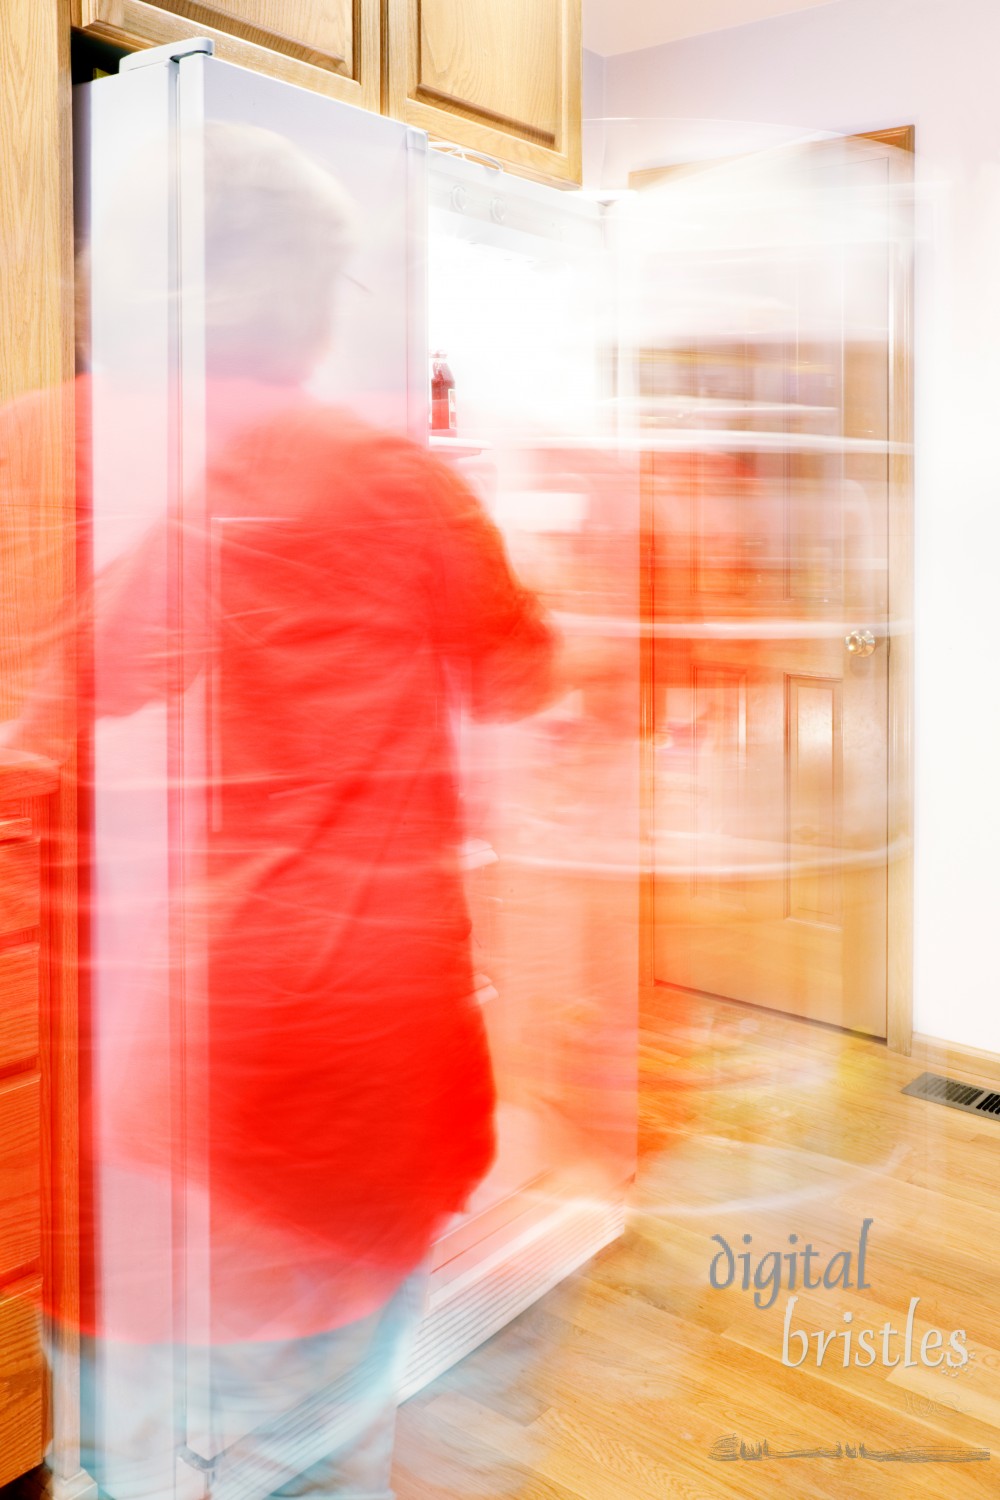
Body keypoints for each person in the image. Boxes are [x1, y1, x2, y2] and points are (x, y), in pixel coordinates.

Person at [11, 122, 558, 1499]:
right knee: (315, 1451)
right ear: (311, 298)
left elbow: (58, 717)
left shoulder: (26, 459)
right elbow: (526, 695)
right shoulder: (396, 481)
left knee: (119, 1453)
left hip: (118, 1109)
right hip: (345, 1081)